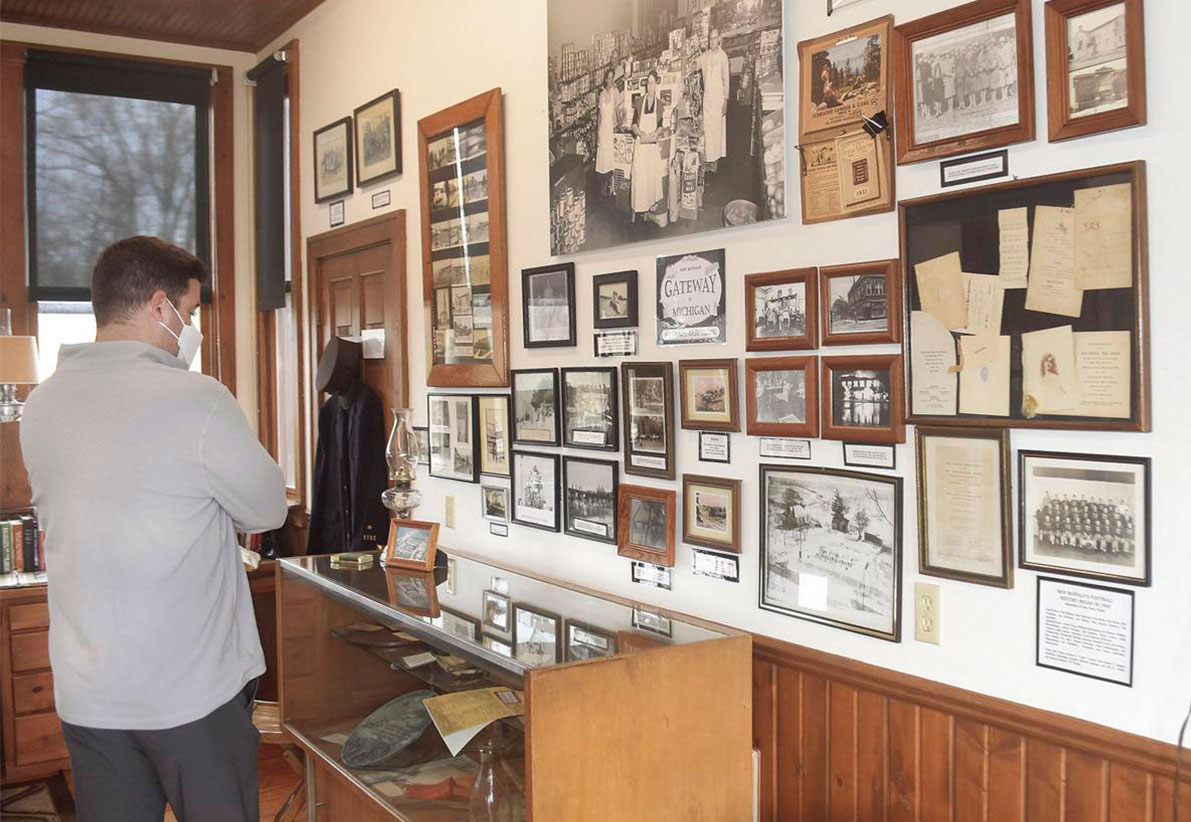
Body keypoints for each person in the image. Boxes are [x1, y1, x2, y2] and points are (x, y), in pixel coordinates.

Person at [20, 236, 288, 822]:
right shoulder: (196, 399)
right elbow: (268, 510)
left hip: (89, 690)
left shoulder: (41, 405)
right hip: (192, 692)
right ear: (159, 306)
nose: (190, 328)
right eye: (190, 314)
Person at [630, 71, 665, 217]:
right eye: (648, 83)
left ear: (656, 84)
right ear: (646, 85)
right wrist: (641, 133)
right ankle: (639, 207)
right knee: (641, 177)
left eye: (653, 82)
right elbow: (633, 125)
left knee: (652, 176)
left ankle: (650, 205)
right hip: (642, 145)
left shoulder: (660, 105)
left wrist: (656, 133)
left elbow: (660, 126)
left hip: (652, 147)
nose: (650, 86)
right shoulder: (639, 102)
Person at [699, 30, 731, 167]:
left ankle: (715, 161)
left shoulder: (723, 56)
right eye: (710, 39)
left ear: (719, 39)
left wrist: (726, 100)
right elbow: (693, 66)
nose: (712, 42)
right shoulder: (705, 56)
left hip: (718, 99)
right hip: (708, 99)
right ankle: (708, 159)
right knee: (708, 129)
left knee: (717, 130)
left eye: (714, 39)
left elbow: (727, 80)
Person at [595, 68, 619, 189]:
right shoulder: (602, 94)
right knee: (603, 157)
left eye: (611, 78)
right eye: (608, 78)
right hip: (603, 129)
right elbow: (599, 114)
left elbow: (619, 111)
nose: (609, 80)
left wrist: (619, 127)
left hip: (611, 128)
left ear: (613, 79)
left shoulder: (615, 92)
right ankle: (603, 186)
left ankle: (611, 186)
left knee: (612, 157)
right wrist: (598, 132)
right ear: (605, 79)